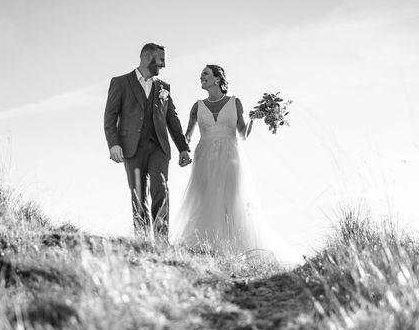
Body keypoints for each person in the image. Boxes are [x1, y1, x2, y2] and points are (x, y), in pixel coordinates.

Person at [173, 64, 296, 263]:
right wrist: (183, 151)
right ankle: (207, 248)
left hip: (231, 156)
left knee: (230, 201)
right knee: (204, 200)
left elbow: (242, 134)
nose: (201, 77)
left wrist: (253, 120)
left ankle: (235, 250)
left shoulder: (234, 102)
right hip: (204, 156)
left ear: (217, 79)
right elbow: (187, 135)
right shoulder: (197, 106)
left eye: (205, 74)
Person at [104, 43, 192, 241]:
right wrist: (113, 144)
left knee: (160, 189)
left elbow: (172, 119)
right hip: (132, 148)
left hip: (159, 147)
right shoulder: (120, 83)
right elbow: (110, 117)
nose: (163, 65)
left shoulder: (164, 87)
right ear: (146, 57)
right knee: (138, 194)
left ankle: (161, 243)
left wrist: (183, 149)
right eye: (161, 60)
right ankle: (143, 241)